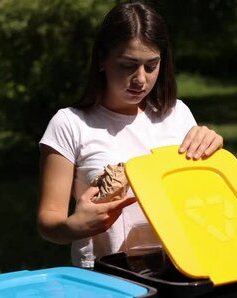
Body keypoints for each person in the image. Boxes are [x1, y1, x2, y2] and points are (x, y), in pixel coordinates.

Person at [37, 2, 223, 268]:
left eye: (151, 65)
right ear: (102, 58)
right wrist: (74, 226)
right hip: (107, 281)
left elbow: (202, 200)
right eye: (128, 65)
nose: (140, 79)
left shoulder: (176, 113)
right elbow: (48, 221)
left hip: (179, 270)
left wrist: (212, 155)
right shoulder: (70, 124)